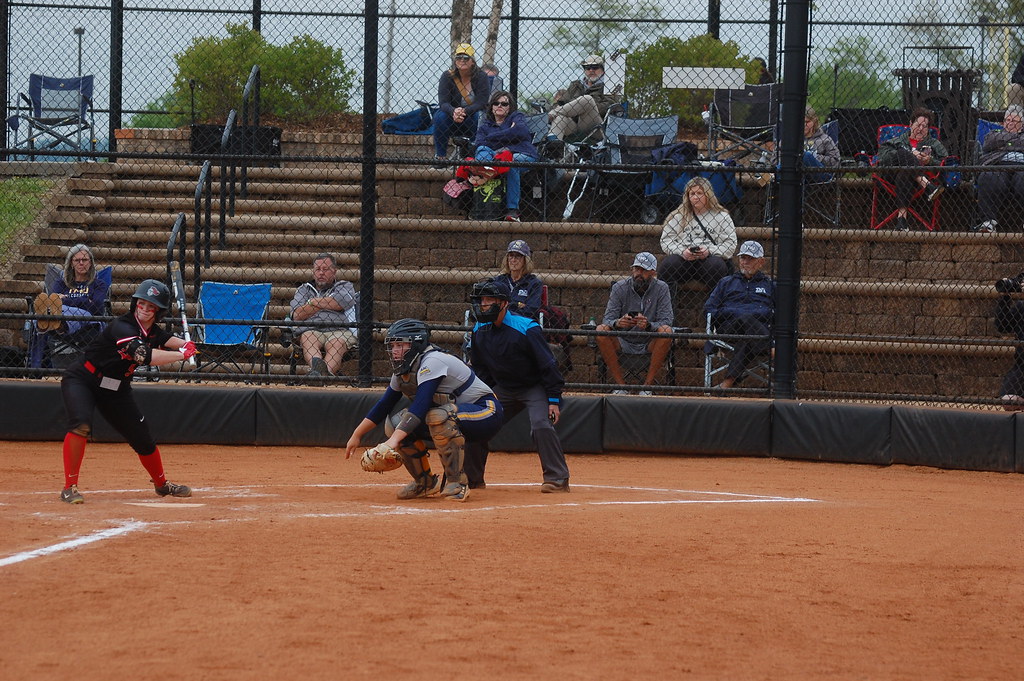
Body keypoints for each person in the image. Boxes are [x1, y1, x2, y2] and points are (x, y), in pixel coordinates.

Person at [57, 279, 197, 504]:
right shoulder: (123, 326)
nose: (144, 309)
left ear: (158, 312)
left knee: (143, 440)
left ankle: (161, 485)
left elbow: (163, 339)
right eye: (141, 303)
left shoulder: (151, 331)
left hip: (115, 388)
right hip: (83, 379)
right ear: (135, 304)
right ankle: (69, 487)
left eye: (150, 306)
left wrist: (185, 344)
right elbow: (145, 356)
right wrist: (182, 355)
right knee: (80, 424)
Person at [344, 318, 503, 502]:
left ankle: (456, 483)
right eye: (393, 345)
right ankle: (425, 482)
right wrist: (357, 434)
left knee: (438, 417)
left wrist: (391, 443)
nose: (395, 350)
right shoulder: (404, 368)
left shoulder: (433, 360)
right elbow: (384, 404)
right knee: (395, 423)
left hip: (487, 412)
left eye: (400, 344)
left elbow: (420, 405)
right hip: (457, 417)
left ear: (416, 344)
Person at [463, 278, 570, 492]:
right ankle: (472, 479)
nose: (484, 304)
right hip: (503, 388)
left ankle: (557, 479)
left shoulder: (526, 328)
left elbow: (548, 366)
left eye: (490, 300)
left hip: (534, 386)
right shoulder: (479, 329)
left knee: (541, 425)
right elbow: (481, 368)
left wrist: (553, 400)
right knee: (476, 425)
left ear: (503, 303)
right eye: (481, 300)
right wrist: (481, 398)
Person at [595, 252, 674, 395]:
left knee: (666, 331)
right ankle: (621, 386)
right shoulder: (619, 287)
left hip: (649, 341)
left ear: (653, 272)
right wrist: (619, 323)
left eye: (643, 270)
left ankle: (647, 386)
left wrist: (649, 325)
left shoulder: (662, 288)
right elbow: (607, 320)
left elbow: (667, 321)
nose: (639, 273)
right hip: (622, 340)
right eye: (636, 269)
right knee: (601, 330)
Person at [703, 240, 775, 390]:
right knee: (745, 317)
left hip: (756, 333)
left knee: (746, 339)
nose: (746, 262)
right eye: (743, 258)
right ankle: (771, 349)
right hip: (730, 329)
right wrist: (729, 313)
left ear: (761, 262)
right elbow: (709, 308)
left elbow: (779, 312)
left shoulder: (770, 285)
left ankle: (728, 382)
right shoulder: (726, 282)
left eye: (751, 259)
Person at [30, 244, 110, 367]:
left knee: (65, 310)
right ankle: (54, 323)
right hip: (60, 313)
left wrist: (65, 299)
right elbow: (53, 302)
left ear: (91, 263)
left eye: (85, 260)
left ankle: (57, 323)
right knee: (52, 310)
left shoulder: (98, 284)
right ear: (71, 263)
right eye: (77, 260)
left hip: (87, 320)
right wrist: (85, 300)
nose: (81, 263)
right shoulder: (61, 283)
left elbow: (97, 308)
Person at [657, 176, 738, 293]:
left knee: (717, 266)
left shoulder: (722, 216)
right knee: (667, 265)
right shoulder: (679, 216)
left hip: (709, 261)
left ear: (708, 195)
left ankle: (714, 308)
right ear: (688, 197)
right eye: (692, 194)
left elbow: (730, 244)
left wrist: (709, 251)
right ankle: (668, 309)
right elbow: (666, 240)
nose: (695, 197)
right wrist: (682, 251)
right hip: (684, 260)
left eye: (700, 193)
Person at [876, 106, 948, 231]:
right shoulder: (898, 140)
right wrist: (908, 154)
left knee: (904, 174)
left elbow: (945, 163)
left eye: (924, 126)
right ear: (910, 124)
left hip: (910, 180)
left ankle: (902, 221)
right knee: (902, 152)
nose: (920, 129)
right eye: (918, 124)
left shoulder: (935, 144)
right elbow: (882, 157)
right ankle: (928, 186)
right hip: (890, 176)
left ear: (928, 129)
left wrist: (929, 160)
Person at [472, 90, 539, 222]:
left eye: (504, 103)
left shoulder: (517, 116)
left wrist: (492, 138)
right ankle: (484, 169)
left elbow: (522, 132)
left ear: (510, 107)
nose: (500, 106)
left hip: (521, 154)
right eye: (496, 103)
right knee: (482, 149)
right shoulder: (485, 125)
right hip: (494, 157)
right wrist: (510, 133)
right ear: (491, 107)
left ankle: (512, 211)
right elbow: (479, 143)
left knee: (510, 163)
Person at [289, 253, 357, 379]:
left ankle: (321, 376)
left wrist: (313, 302)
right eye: (317, 269)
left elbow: (343, 302)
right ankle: (321, 373)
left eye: (325, 269)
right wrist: (329, 302)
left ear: (334, 271)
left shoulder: (344, 286)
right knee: (308, 338)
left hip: (339, 329)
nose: (321, 273)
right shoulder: (304, 289)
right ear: (313, 272)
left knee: (337, 343)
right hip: (311, 329)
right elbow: (297, 314)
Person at [432, 42, 490, 165]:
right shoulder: (447, 76)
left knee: (479, 116)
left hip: (472, 115)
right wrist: (454, 111)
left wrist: (464, 111)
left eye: (466, 57)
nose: (462, 60)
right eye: (458, 57)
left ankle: (474, 154)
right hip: (453, 116)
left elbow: (482, 102)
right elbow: (443, 102)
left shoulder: (481, 77)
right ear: (455, 61)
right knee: (440, 116)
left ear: (472, 61)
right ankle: (440, 157)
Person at [974, 105, 1024, 234]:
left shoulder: (1001, 137)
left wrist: (1005, 143)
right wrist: (1016, 140)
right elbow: (989, 143)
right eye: (1007, 120)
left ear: (1022, 124)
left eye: (1014, 121)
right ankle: (988, 222)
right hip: (998, 164)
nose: (1010, 123)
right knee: (988, 176)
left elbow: (999, 143)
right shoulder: (994, 133)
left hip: (1021, 167)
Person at [547, 54, 622, 141]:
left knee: (587, 99)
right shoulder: (576, 85)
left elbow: (610, 107)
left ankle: (548, 116)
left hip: (595, 126)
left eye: (595, 67)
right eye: (588, 68)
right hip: (574, 125)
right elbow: (560, 103)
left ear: (603, 70)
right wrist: (564, 108)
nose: (591, 70)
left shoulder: (610, 85)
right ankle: (553, 145)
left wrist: (584, 107)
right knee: (560, 118)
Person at [994, 272, 1024, 410]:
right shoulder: (1021, 307)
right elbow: (1002, 326)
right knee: (1008, 400)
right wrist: (1005, 297)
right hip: (1022, 365)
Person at [493, 239, 543, 319]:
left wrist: (506, 307)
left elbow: (531, 311)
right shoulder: (499, 280)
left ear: (525, 260)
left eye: (518, 256)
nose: (513, 260)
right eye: (511, 256)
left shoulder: (534, 283)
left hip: (521, 322)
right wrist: (517, 305)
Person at [801, 106, 840, 182]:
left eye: (807, 122)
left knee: (806, 156)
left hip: (820, 174)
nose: (804, 125)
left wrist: (815, 158)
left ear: (814, 121)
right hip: (795, 174)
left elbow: (836, 161)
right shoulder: (790, 139)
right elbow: (774, 160)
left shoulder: (825, 139)